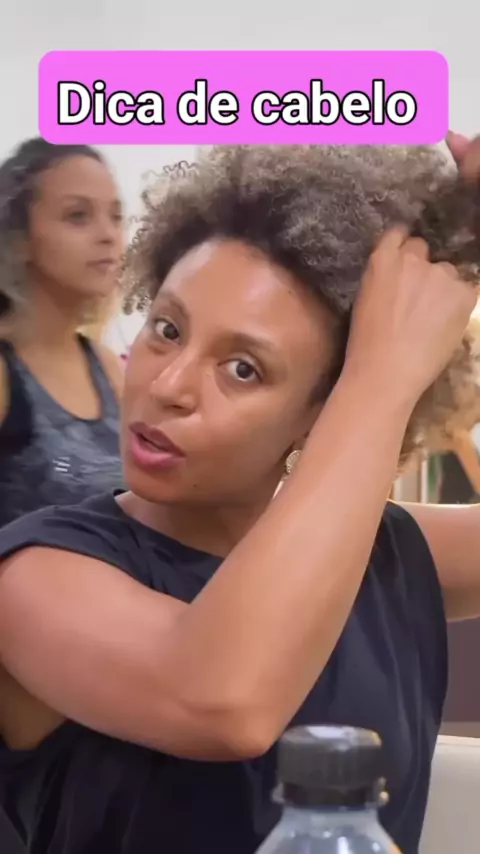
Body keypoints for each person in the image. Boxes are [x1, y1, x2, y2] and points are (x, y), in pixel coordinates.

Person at [0, 138, 479, 854]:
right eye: (167, 330)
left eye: (243, 369)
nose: (168, 386)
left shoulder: (390, 552)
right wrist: (382, 379)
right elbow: (224, 699)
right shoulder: (34, 577)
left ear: (320, 411)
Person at [0, 138, 125, 528]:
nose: (108, 235)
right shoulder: (6, 373)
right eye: (78, 216)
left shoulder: (107, 367)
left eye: (116, 216)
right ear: (19, 240)